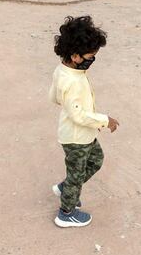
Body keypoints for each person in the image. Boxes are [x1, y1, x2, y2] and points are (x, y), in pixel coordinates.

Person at [49, 15, 119, 228]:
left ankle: (68, 186)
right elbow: (78, 115)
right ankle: (66, 212)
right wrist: (105, 120)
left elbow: (53, 97)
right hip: (76, 138)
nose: (93, 60)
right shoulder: (72, 81)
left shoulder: (63, 71)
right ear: (76, 56)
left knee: (95, 160)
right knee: (76, 173)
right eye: (91, 56)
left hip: (83, 135)